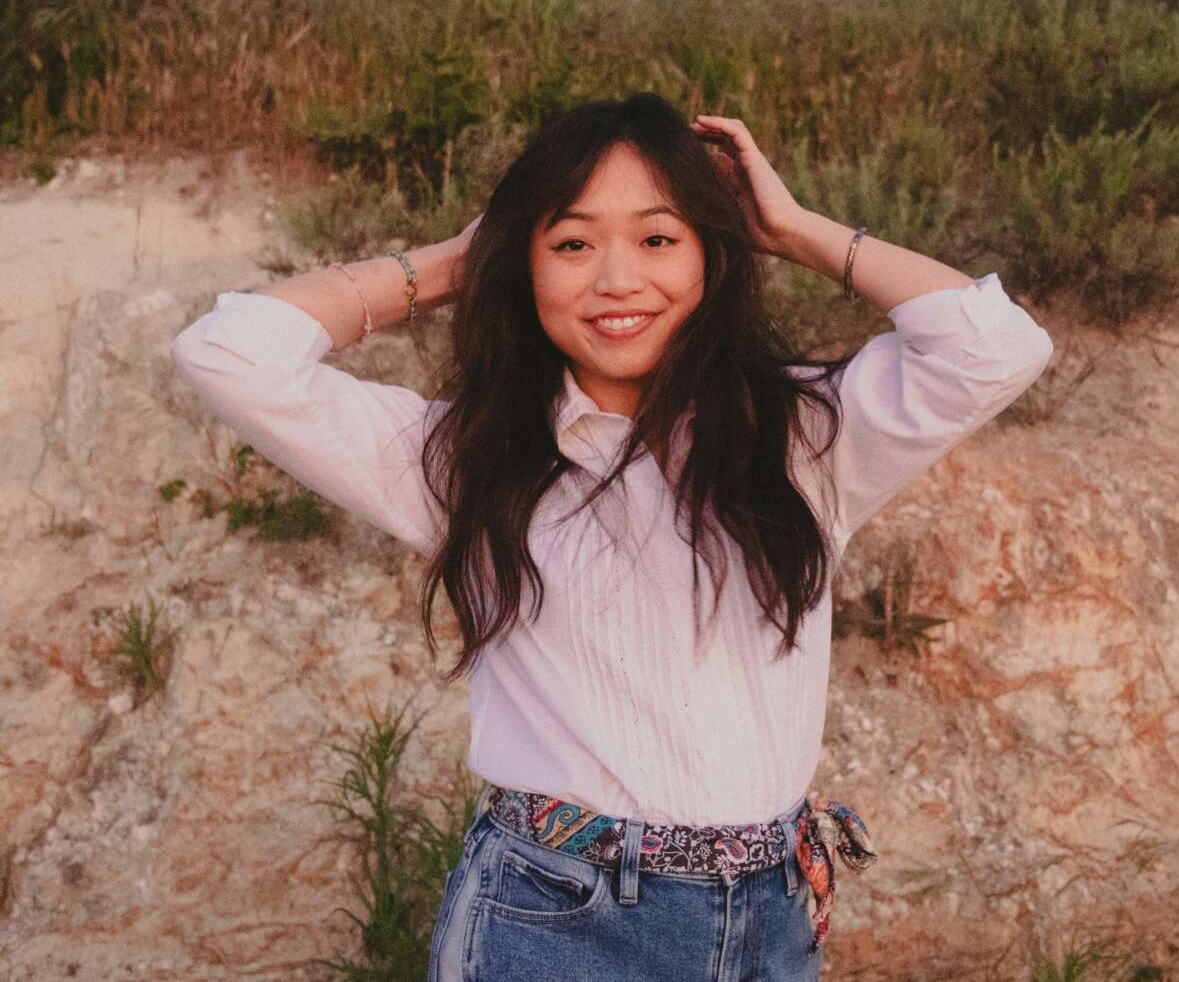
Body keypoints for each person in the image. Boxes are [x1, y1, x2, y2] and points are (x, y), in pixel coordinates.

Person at [169, 92, 1054, 980]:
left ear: (713, 253)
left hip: (770, 922)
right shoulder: (465, 459)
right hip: (554, 923)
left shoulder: (803, 437)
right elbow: (231, 353)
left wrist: (793, 229)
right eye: (571, 244)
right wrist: (453, 262)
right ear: (524, 263)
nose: (618, 280)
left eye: (659, 238)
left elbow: (997, 347)